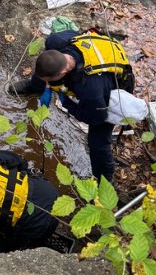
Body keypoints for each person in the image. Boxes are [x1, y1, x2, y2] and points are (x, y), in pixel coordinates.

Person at [13, 30, 136, 181]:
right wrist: (46, 86)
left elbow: (97, 117)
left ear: (64, 72)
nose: (48, 83)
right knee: (46, 68)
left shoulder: (90, 88)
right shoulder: (56, 41)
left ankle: (104, 180)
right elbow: (50, 66)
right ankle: (34, 86)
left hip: (113, 86)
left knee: (98, 142)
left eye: (49, 81)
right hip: (89, 56)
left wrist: (67, 103)